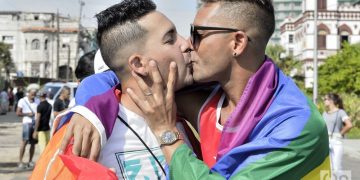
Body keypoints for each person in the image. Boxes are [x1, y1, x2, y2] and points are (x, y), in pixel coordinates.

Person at [59, 0, 331, 179]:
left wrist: (167, 133)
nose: (188, 44)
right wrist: (90, 108)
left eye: (198, 34)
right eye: (177, 36)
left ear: (237, 42)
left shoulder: (296, 125)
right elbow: (121, 74)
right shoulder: (207, 92)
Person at [30, 0, 198, 179]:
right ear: (138, 64)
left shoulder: (187, 113)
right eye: (170, 39)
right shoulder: (82, 134)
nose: (186, 44)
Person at [322, 93, 353, 172]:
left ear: (331, 101)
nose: (324, 101)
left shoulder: (340, 112)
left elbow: (349, 125)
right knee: (327, 167)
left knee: (336, 167)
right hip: (326, 142)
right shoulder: (324, 113)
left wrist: (340, 133)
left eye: (325, 99)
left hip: (336, 142)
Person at [16, 86, 40, 169]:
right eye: (32, 94)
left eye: (35, 94)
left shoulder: (37, 100)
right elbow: (18, 113)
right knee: (24, 142)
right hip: (26, 124)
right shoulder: (22, 101)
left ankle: (30, 161)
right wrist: (27, 114)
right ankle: (20, 161)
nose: (34, 95)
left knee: (33, 143)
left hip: (35, 124)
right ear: (28, 93)